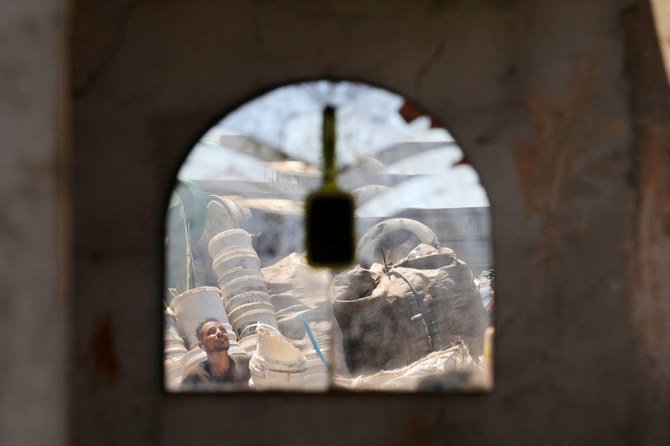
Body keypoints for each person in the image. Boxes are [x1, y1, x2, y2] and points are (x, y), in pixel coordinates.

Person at [182, 318, 250, 390]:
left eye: (223, 330)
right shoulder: (194, 378)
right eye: (211, 332)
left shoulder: (247, 364)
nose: (219, 333)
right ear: (202, 345)